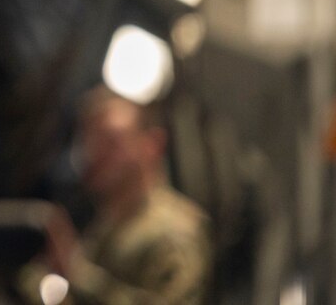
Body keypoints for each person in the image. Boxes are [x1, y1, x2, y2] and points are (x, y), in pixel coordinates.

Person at [17, 89, 211, 305]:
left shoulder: (175, 231)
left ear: (152, 145)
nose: (94, 154)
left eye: (111, 141)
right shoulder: (104, 219)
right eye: (89, 142)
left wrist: (77, 274)